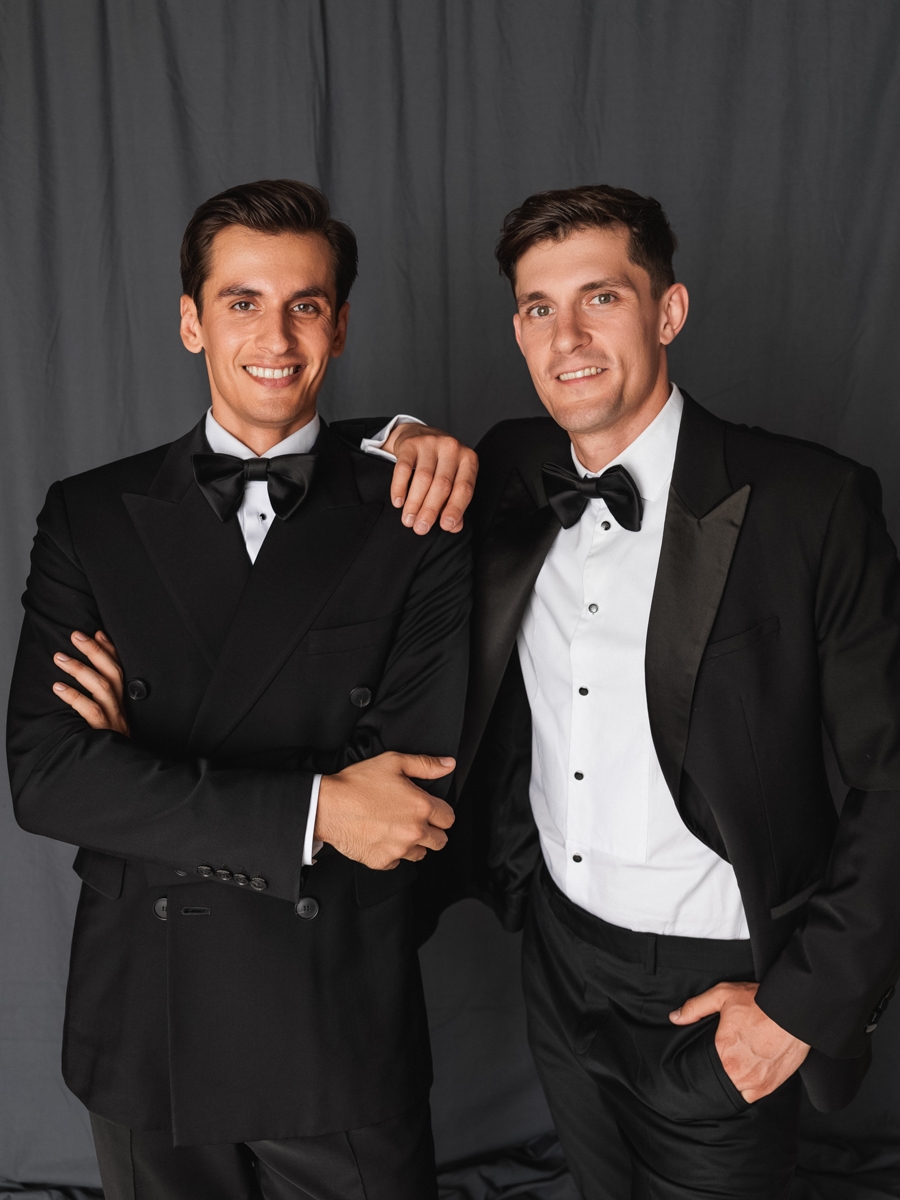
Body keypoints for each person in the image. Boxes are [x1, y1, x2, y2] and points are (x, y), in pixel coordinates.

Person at [6, 178, 476, 1200]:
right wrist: (316, 805)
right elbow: (47, 777)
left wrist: (140, 762)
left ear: (339, 325)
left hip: (334, 1013)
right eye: (242, 301)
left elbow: (399, 807)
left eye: (306, 304)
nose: (276, 336)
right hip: (147, 1019)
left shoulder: (416, 510)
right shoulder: (90, 514)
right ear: (192, 321)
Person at [449, 185, 900, 1198]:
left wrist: (799, 1008)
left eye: (601, 298)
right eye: (538, 308)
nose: (566, 336)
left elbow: (895, 774)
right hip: (559, 958)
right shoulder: (514, 465)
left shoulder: (812, 504)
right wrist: (397, 433)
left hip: (720, 980)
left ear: (668, 311)